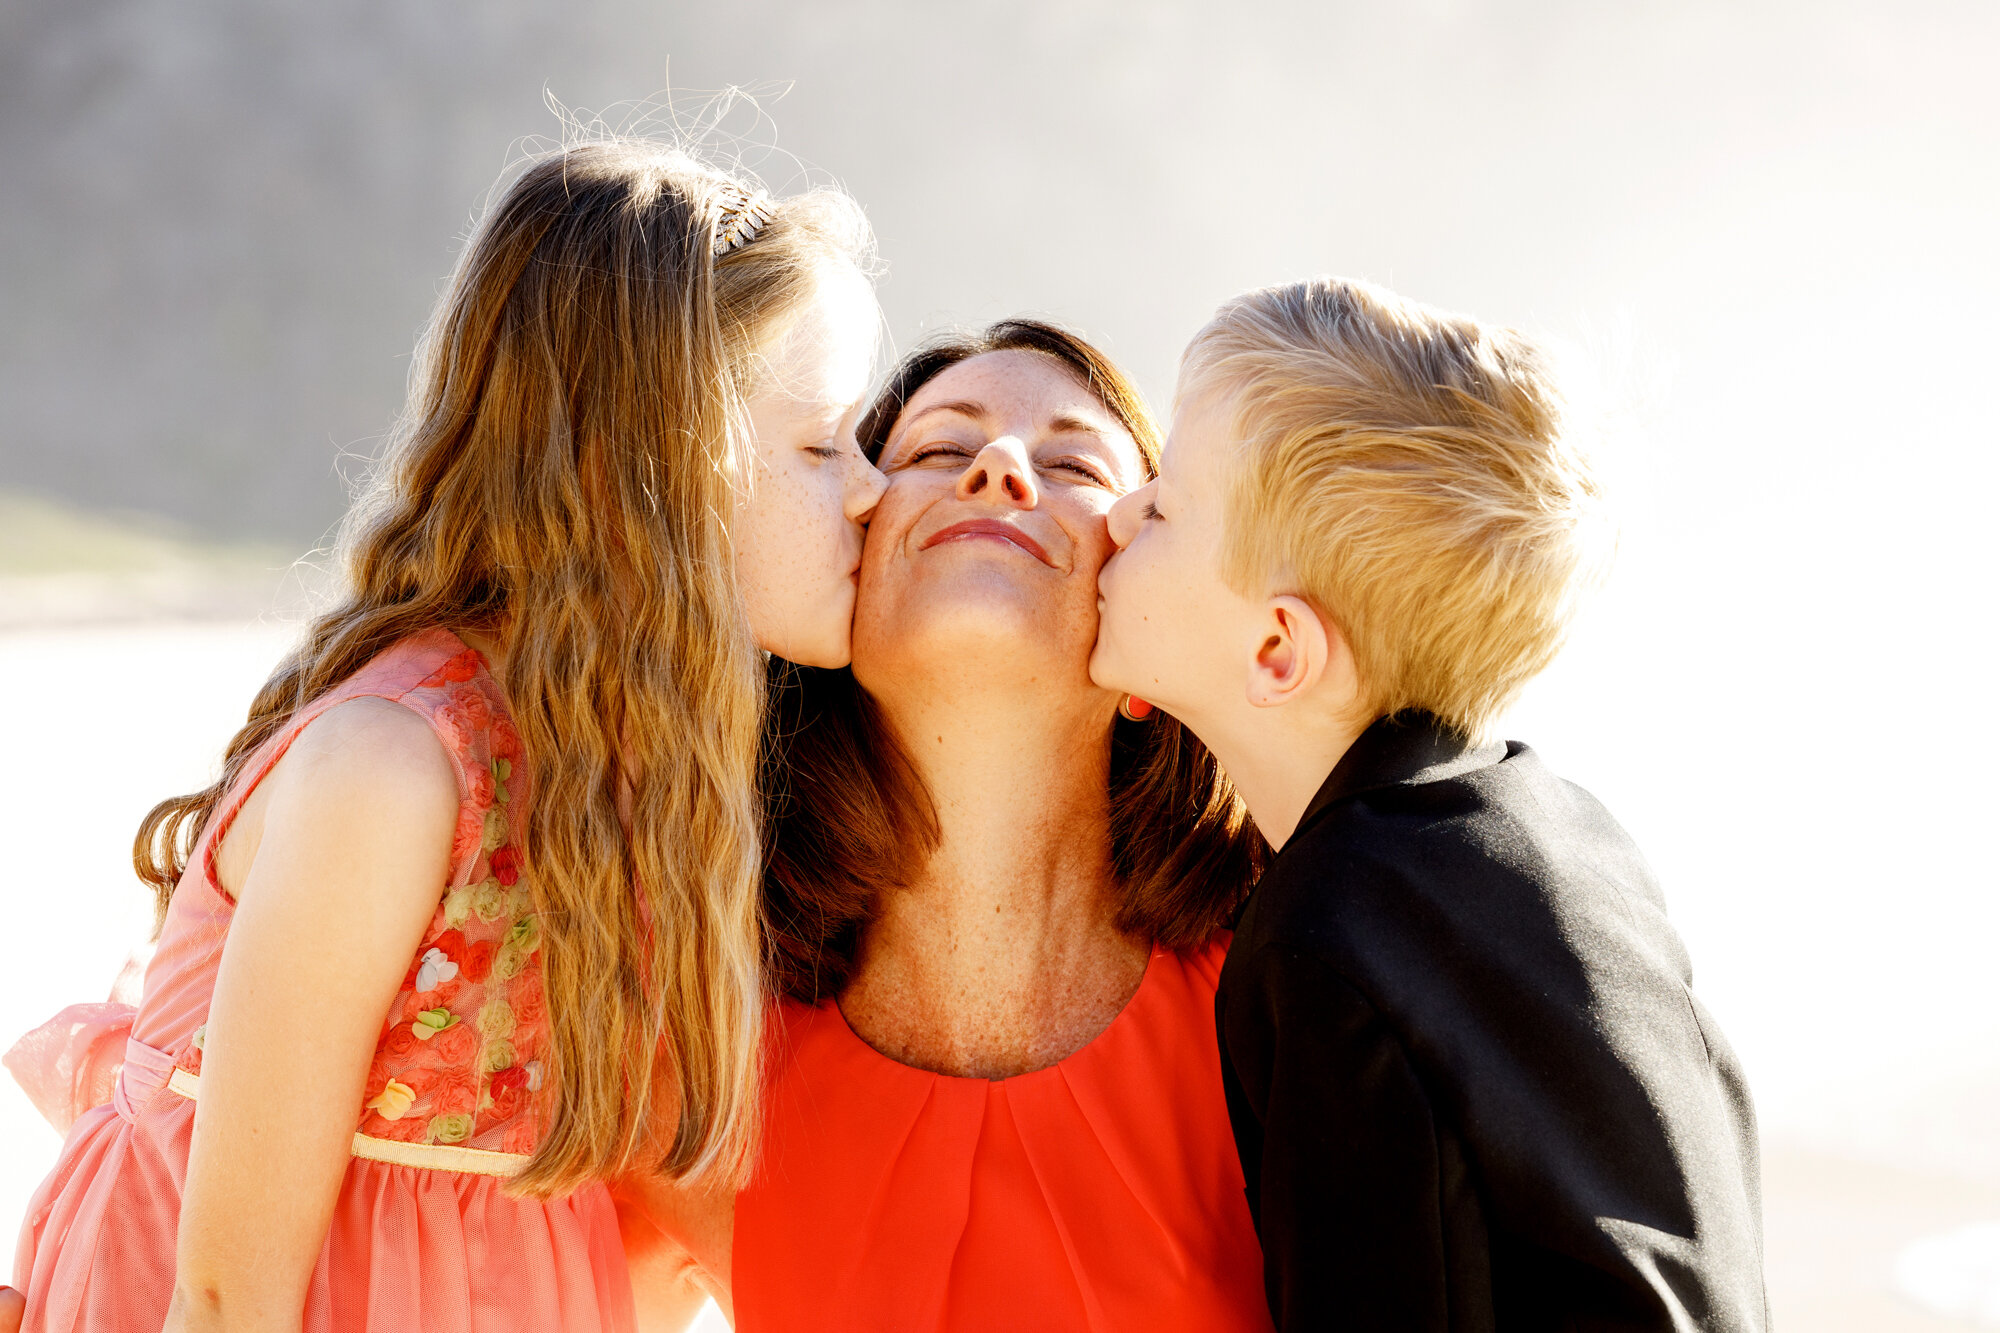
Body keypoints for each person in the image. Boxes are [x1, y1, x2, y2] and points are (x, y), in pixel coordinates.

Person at [2, 138, 887, 1333]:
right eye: (823, 444)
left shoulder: (632, 764)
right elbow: (224, 1294)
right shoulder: (396, 768)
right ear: (656, 463)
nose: (874, 487)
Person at [1091, 277, 1768, 1331]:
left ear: (1276, 649)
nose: (1119, 509)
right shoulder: (1563, 831)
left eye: (1164, 505)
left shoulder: (1326, 939)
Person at [615, 321, 1275, 1332]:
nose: (1001, 469)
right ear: (842, 582)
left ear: (1147, 617)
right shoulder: (682, 1060)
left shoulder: (1284, 1003)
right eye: (935, 451)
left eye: (1070, 463)